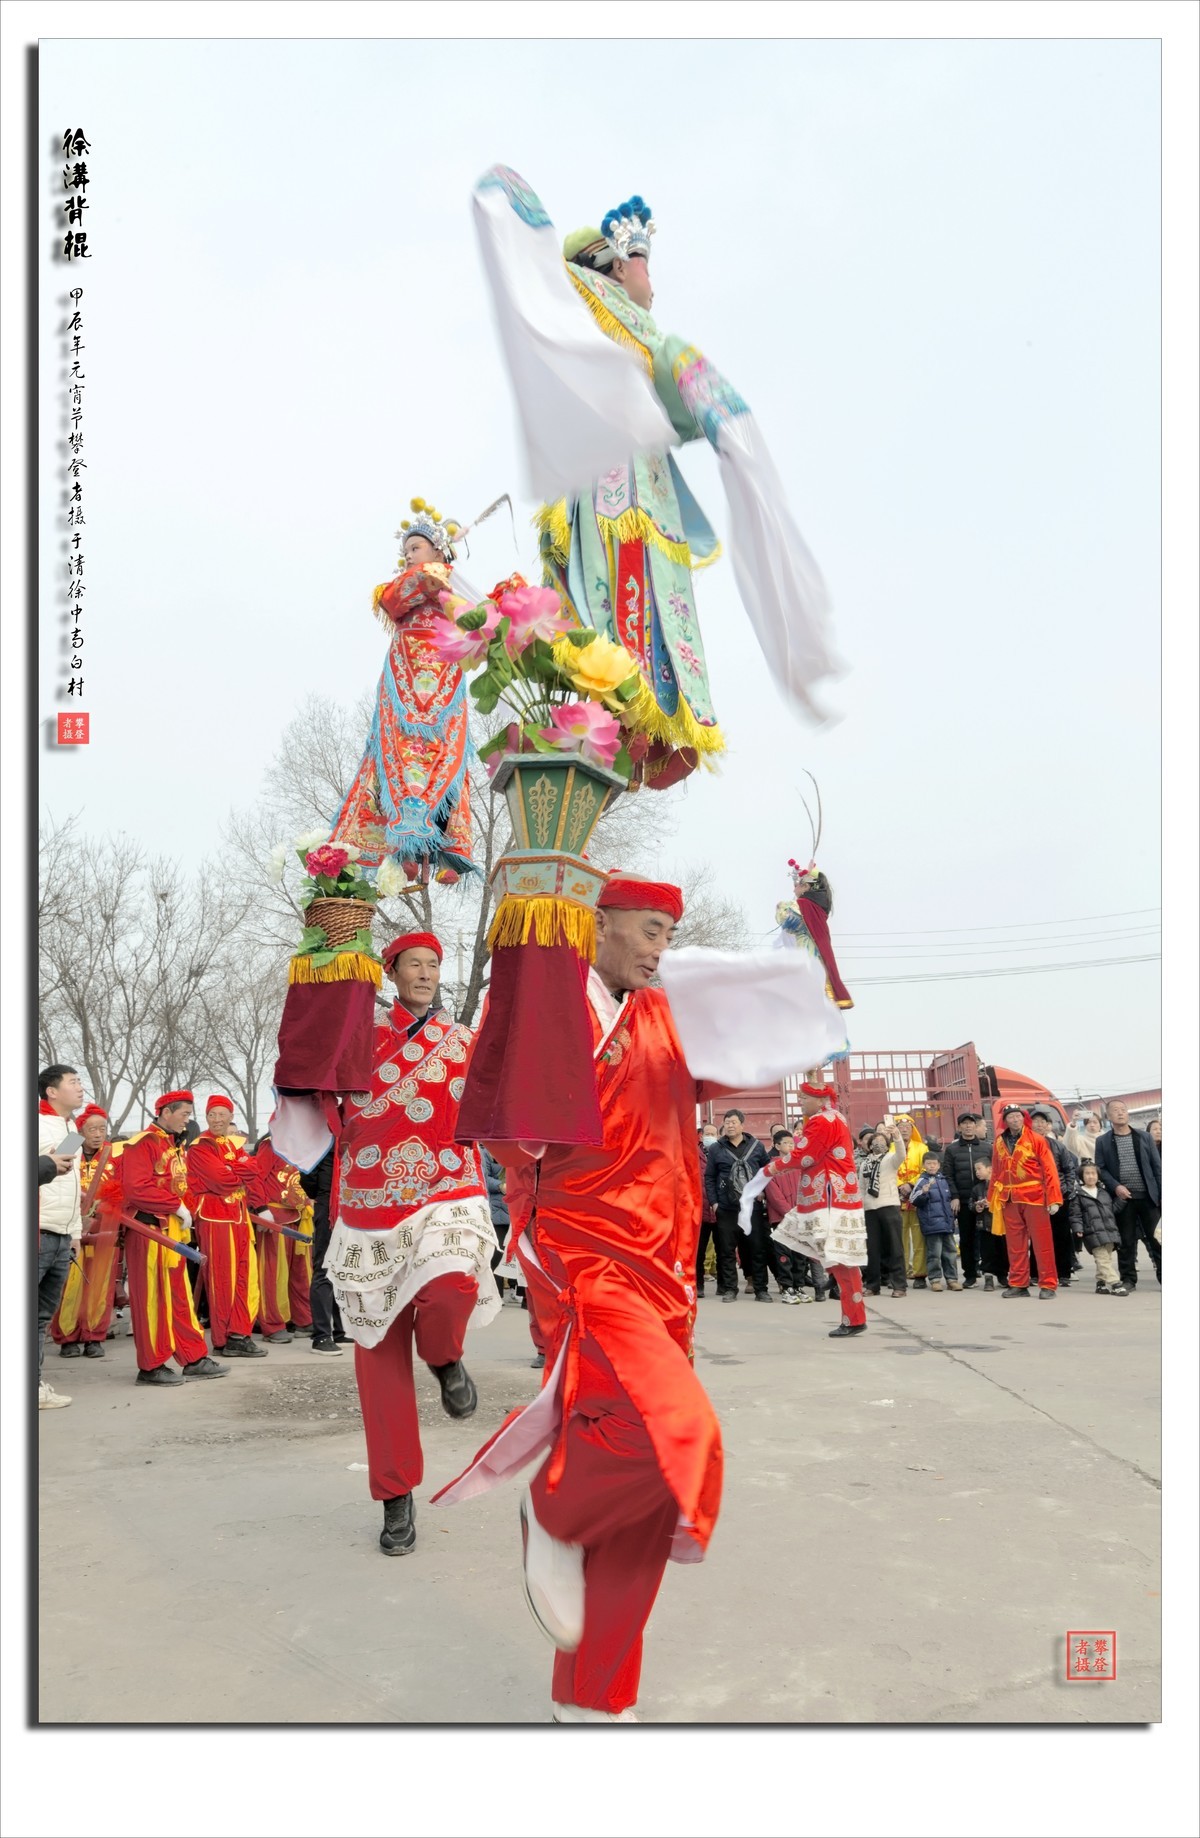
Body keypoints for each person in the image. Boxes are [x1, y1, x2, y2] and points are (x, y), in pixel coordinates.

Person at [434, 874, 724, 1724]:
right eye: (649, 929)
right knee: (674, 1432)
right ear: (595, 925)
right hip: (588, 1261)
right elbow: (513, 1122)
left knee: (651, 1493)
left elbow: (760, 1043)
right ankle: (551, 1505)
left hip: (666, 1272)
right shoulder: (555, 1008)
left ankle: (595, 1705)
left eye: (669, 933)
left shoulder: (662, 1015)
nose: (660, 948)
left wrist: (804, 933)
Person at [473, 168, 837, 790]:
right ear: (617, 266)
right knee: (611, 594)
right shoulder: (588, 300)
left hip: (633, 488)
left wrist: (719, 412)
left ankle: (627, 715)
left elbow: (676, 393)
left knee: (637, 597)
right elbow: (553, 295)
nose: (651, 281)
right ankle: (618, 702)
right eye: (643, 262)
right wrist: (528, 219)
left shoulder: (640, 334)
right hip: (614, 491)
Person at [324, 930, 499, 1556]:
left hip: (447, 1188)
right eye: (412, 965)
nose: (423, 973)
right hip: (369, 1200)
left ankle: (445, 1355)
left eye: (432, 964)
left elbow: (503, 1095)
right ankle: (395, 1498)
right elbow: (313, 1087)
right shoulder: (360, 1038)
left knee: (454, 1285)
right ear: (390, 972)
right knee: (377, 1353)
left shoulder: (464, 1039)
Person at [328, 506, 474, 884]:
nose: (409, 554)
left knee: (445, 752)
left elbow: (477, 618)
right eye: (407, 548)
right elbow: (394, 600)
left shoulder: (452, 585)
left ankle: (443, 847)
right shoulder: (412, 583)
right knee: (397, 751)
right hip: (405, 672)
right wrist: (429, 574)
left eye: (417, 547)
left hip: (443, 669)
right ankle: (404, 847)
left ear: (439, 550)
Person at [747, 1073, 869, 1338]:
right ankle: (853, 1314)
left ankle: (854, 1317)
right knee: (839, 1259)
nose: (800, 1102)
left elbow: (804, 1156)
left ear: (819, 1099)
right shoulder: (836, 1117)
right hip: (835, 1194)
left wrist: (770, 1168)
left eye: (804, 1098)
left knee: (839, 1259)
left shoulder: (821, 1121)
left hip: (827, 1196)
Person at [118, 1092, 228, 1385]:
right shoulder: (143, 1144)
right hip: (149, 1232)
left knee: (180, 1296)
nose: (187, 1120)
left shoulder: (171, 1144)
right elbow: (136, 1188)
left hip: (172, 1234)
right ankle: (151, 1365)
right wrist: (174, 1205)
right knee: (152, 1299)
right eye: (184, 1114)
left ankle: (193, 1357)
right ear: (166, 1112)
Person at [186, 1096, 269, 1360]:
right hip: (215, 1218)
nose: (218, 1119)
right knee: (223, 1279)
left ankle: (239, 1333)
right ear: (206, 1117)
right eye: (213, 1114)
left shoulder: (231, 1143)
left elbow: (254, 1169)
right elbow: (221, 1181)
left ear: (230, 1116)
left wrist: (234, 1168)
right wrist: (237, 1170)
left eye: (223, 1114)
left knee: (245, 1276)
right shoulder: (201, 1146)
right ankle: (224, 1337)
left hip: (238, 1216)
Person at [50, 1104, 119, 1360]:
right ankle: (67, 1337)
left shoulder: (115, 1153)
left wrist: (108, 1202)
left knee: (99, 1282)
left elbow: (124, 1188)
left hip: (104, 1228)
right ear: (81, 1129)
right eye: (92, 1129)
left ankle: (94, 1336)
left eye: (102, 1128)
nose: (98, 1134)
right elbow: (50, 1179)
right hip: (70, 1225)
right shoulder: (68, 1147)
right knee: (68, 1283)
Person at [38, 1063, 85, 1409]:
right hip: (38, 1231)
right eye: (73, 1082)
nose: (80, 1088)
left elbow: (73, 1187)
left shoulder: (71, 1128)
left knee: (40, 1318)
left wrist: (75, 1233)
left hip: (61, 1235)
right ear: (52, 1091)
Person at [988, 1105, 1063, 1300]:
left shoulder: (1037, 1140)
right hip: (1010, 1199)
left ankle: (1048, 1284)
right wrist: (992, 1199)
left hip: (1035, 1197)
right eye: (1011, 1116)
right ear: (1005, 1120)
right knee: (1015, 1245)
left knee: (1042, 1243)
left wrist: (1054, 1198)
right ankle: (1019, 1283)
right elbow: (996, 1171)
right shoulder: (998, 1142)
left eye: (1018, 1116)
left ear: (1023, 1118)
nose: (1015, 1119)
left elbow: (1050, 1169)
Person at [245, 1135, 314, 1343]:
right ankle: (272, 1323)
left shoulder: (306, 1144)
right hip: (275, 1218)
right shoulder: (271, 1144)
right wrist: (261, 1208)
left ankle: (303, 1318)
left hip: (300, 1215)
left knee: (301, 1272)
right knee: (273, 1274)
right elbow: (255, 1177)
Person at [1094, 1100, 1161, 1291]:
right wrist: (1115, 1187)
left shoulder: (1144, 1137)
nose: (1121, 1113)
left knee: (1157, 1239)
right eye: (1115, 1111)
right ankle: (1128, 1279)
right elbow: (1101, 1168)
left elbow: (1157, 1167)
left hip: (1148, 1197)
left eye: (1123, 1110)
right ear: (1109, 1116)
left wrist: (1162, 1194)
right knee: (1126, 1240)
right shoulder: (1103, 1141)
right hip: (1123, 1199)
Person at [704, 1110, 770, 1302]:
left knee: (757, 1248)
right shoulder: (716, 1148)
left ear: (742, 1125)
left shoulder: (756, 1146)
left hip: (753, 1208)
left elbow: (768, 1171)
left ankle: (761, 1289)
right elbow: (709, 1176)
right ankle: (730, 1289)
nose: (730, 1125)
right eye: (727, 1122)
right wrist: (714, 1202)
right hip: (727, 1207)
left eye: (733, 1122)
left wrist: (764, 1192)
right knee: (726, 1249)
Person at [300, 1144, 345, 1354]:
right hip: (328, 1207)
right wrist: (327, 1194)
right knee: (324, 1269)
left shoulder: (351, 1141)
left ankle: (339, 1330)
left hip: (350, 1206)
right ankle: (321, 1336)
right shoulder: (321, 1144)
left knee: (343, 1269)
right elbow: (307, 1179)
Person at [1030, 1108, 1080, 1286]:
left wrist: (1064, 1190)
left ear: (1048, 1125)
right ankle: (1036, 1274)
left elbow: (1069, 1169)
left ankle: (1064, 1273)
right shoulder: (1024, 1145)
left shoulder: (1057, 1145)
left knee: (1061, 1236)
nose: (1039, 1124)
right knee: (1037, 1238)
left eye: (1043, 1121)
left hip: (1058, 1197)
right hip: (1034, 1199)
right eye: (1035, 1121)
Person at [760, 1130, 808, 1302]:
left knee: (800, 1254)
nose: (790, 1146)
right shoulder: (771, 1168)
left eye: (792, 1143)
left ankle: (799, 1286)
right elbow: (774, 1195)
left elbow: (806, 1189)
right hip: (781, 1219)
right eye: (786, 1143)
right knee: (784, 1254)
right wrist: (789, 1213)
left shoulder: (799, 1166)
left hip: (800, 1216)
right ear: (777, 1146)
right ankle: (787, 1287)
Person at [859, 1126, 907, 1298]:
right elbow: (861, 1188)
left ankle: (899, 1285)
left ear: (887, 1146)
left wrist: (897, 1136)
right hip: (870, 1209)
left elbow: (901, 1154)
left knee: (895, 1247)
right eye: (875, 1142)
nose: (878, 1145)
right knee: (872, 1249)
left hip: (889, 1206)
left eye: (882, 1142)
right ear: (870, 1146)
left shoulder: (890, 1160)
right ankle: (873, 1285)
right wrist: (861, 1207)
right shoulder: (865, 1164)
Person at [941, 1112, 986, 1288]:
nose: (968, 1126)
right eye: (964, 1124)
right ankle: (970, 1274)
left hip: (984, 1200)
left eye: (971, 1123)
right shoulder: (952, 1150)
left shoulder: (986, 1148)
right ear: (959, 1127)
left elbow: (993, 1173)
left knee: (987, 1237)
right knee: (967, 1238)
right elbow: (948, 1175)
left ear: (976, 1126)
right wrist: (955, 1196)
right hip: (964, 1200)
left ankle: (991, 1270)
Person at [1068, 1162, 1128, 1295]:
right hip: (1092, 1232)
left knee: (1106, 1258)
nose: (1090, 1176)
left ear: (1098, 1176)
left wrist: (1121, 1201)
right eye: (1087, 1174)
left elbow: (1112, 1210)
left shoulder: (1104, 1192)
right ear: (1081, 1176)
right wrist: (1078, 1228)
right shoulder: (1077, 1194)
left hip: (1109, 1230)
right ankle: (1115, 1283)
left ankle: (1100, 1284)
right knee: (1102, 1259)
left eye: (1093, 1173)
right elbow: (1075, 1214)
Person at [911, 1154, 962, 1292]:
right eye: (928, 1163)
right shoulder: (922, 1180)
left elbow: (951, 1199)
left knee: (950, 1252)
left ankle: (952, 1280)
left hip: (946, 1224)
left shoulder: (944, 1180)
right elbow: (913, 1199)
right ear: (923, 1165)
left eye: (934, 1163)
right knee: (934, 1254)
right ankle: (935, 1279)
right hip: (931, 1224)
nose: (932, 1166)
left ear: (939, 1165)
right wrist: (923, 1192)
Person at [894, 1114, 929, 1289]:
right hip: (897, 1198)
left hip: (916, 1199)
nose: (904, 1129)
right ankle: (902, 1271)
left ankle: (919, 1273)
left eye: (907, 1127)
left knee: (918, 1238)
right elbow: (888, 1169)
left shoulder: (921, 1147)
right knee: (900, 1239)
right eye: (901, 1127)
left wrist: (910, 1184)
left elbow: (925, 1169)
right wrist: (900, 1185)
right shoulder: (891, 1148)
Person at [968, 1157, 1007, 1290]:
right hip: (985, 1226)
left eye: (979, 1169)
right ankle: (988, 1278)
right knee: (987, 1253)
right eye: (975, 1170)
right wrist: (976, 1207)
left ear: (990, 1169)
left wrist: (993, 1204)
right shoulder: (977, 1188)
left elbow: (1007, 1202)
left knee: (1002, 1252)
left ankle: (1003, 1276)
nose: (977, 1172)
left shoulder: (1001, 1185)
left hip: (1001, 1226)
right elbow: (971, 1203)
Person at [695, 1129, 719, 1300]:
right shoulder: (692, 1151)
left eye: (713, 1133)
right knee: (699, 1250)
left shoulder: (720, 1151)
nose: (709, 1136)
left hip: (719, 1209)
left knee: (724, 1250)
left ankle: (726, 1285)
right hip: (699, 1208)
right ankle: (698, 1284)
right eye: (706, 1133)